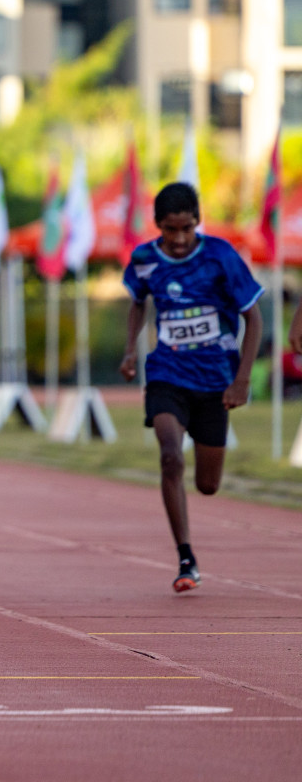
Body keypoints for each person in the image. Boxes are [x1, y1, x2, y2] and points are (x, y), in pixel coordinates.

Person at [119, 183, 261, 593]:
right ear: (158, 226)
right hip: (167, 373)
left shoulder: (220, 256)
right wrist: (130, 350)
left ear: (198, 222)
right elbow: (137, 302)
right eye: (170, 230)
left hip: (215, 382)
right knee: (169, 454)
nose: (179, 239)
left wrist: (242, 379)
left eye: (186, 228)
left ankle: (192, 524)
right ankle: (186, 555)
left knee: (207, 485)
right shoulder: (145, 259)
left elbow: (254, 318)